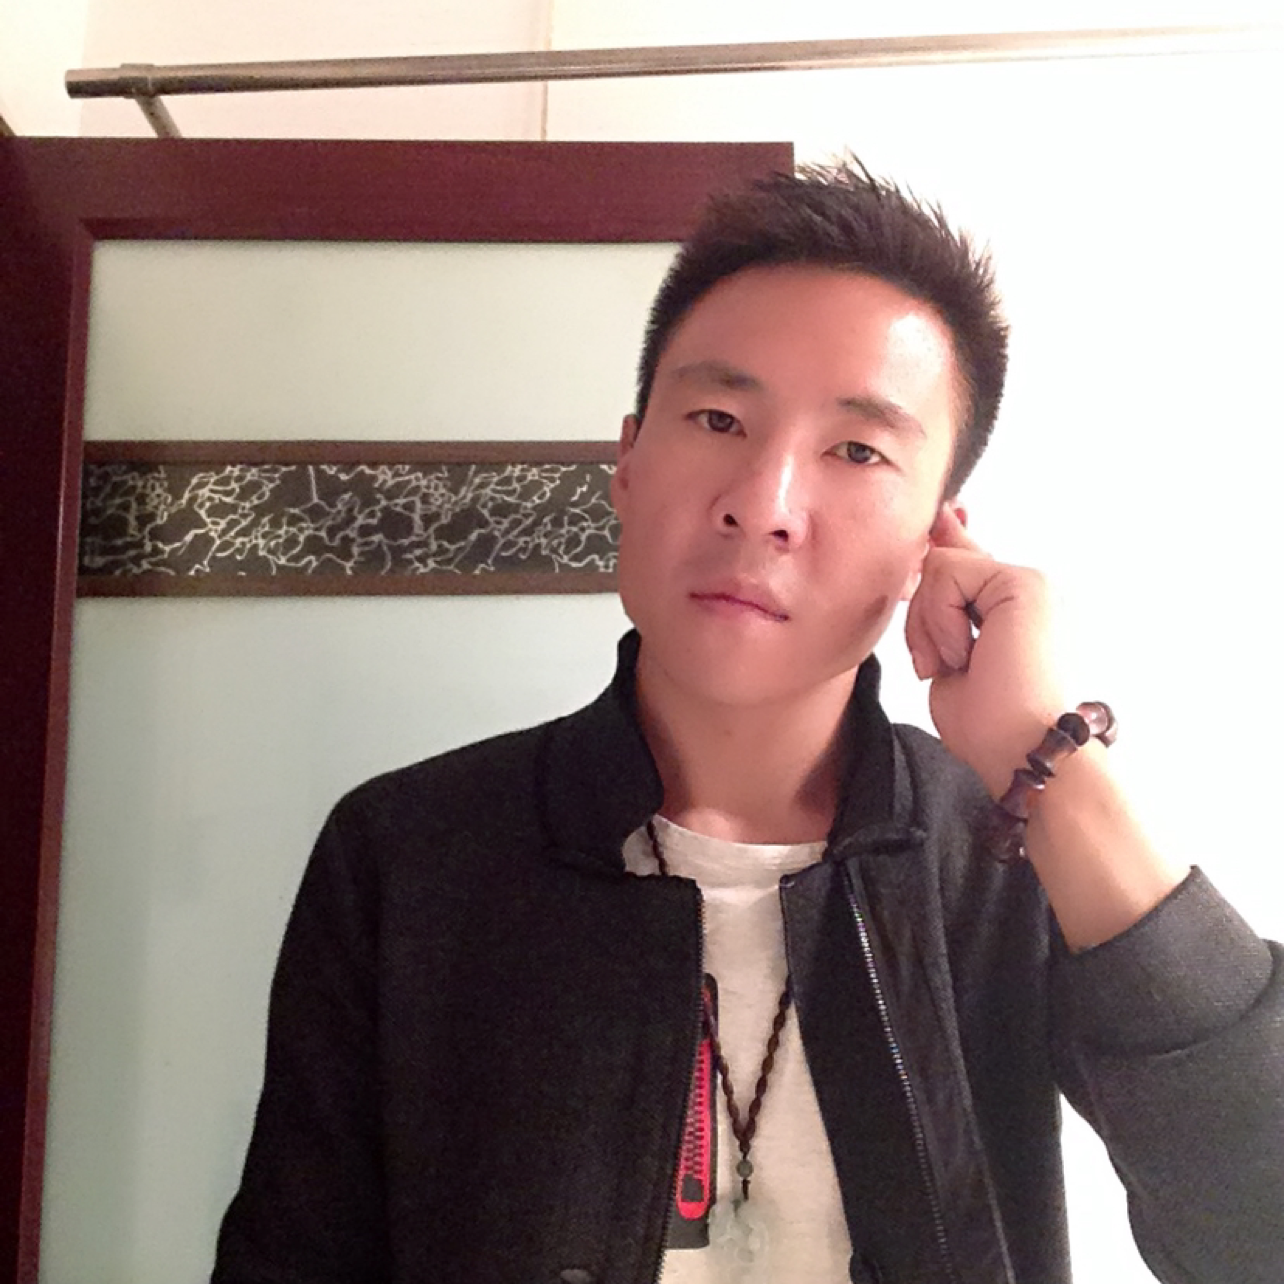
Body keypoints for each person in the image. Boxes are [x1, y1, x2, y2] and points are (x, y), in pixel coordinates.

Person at [212, 162, 1284, 1284]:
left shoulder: (1004, 858)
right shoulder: (409, 854)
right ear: (628, 465)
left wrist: (1046, 760)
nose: (763, 505)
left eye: (858, 451)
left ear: (936, 538)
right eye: (719, 418)